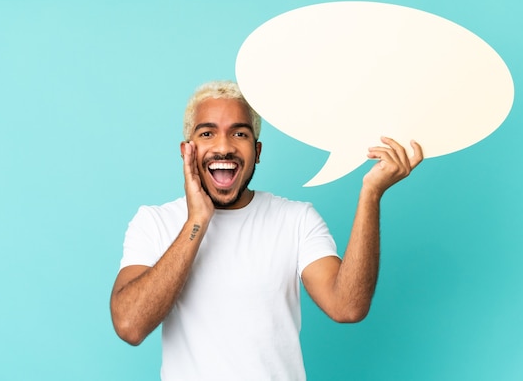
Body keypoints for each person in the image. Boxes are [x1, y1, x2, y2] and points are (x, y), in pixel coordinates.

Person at [110, 80, 423, 380]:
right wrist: (196, 221)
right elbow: (129, 325)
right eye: (207, 133)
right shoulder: (154, 222)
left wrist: (371, 194)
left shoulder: (296, 220)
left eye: (240, 134)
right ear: (186, 150)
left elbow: (348, 307)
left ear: (257, 152)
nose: (223, 147)